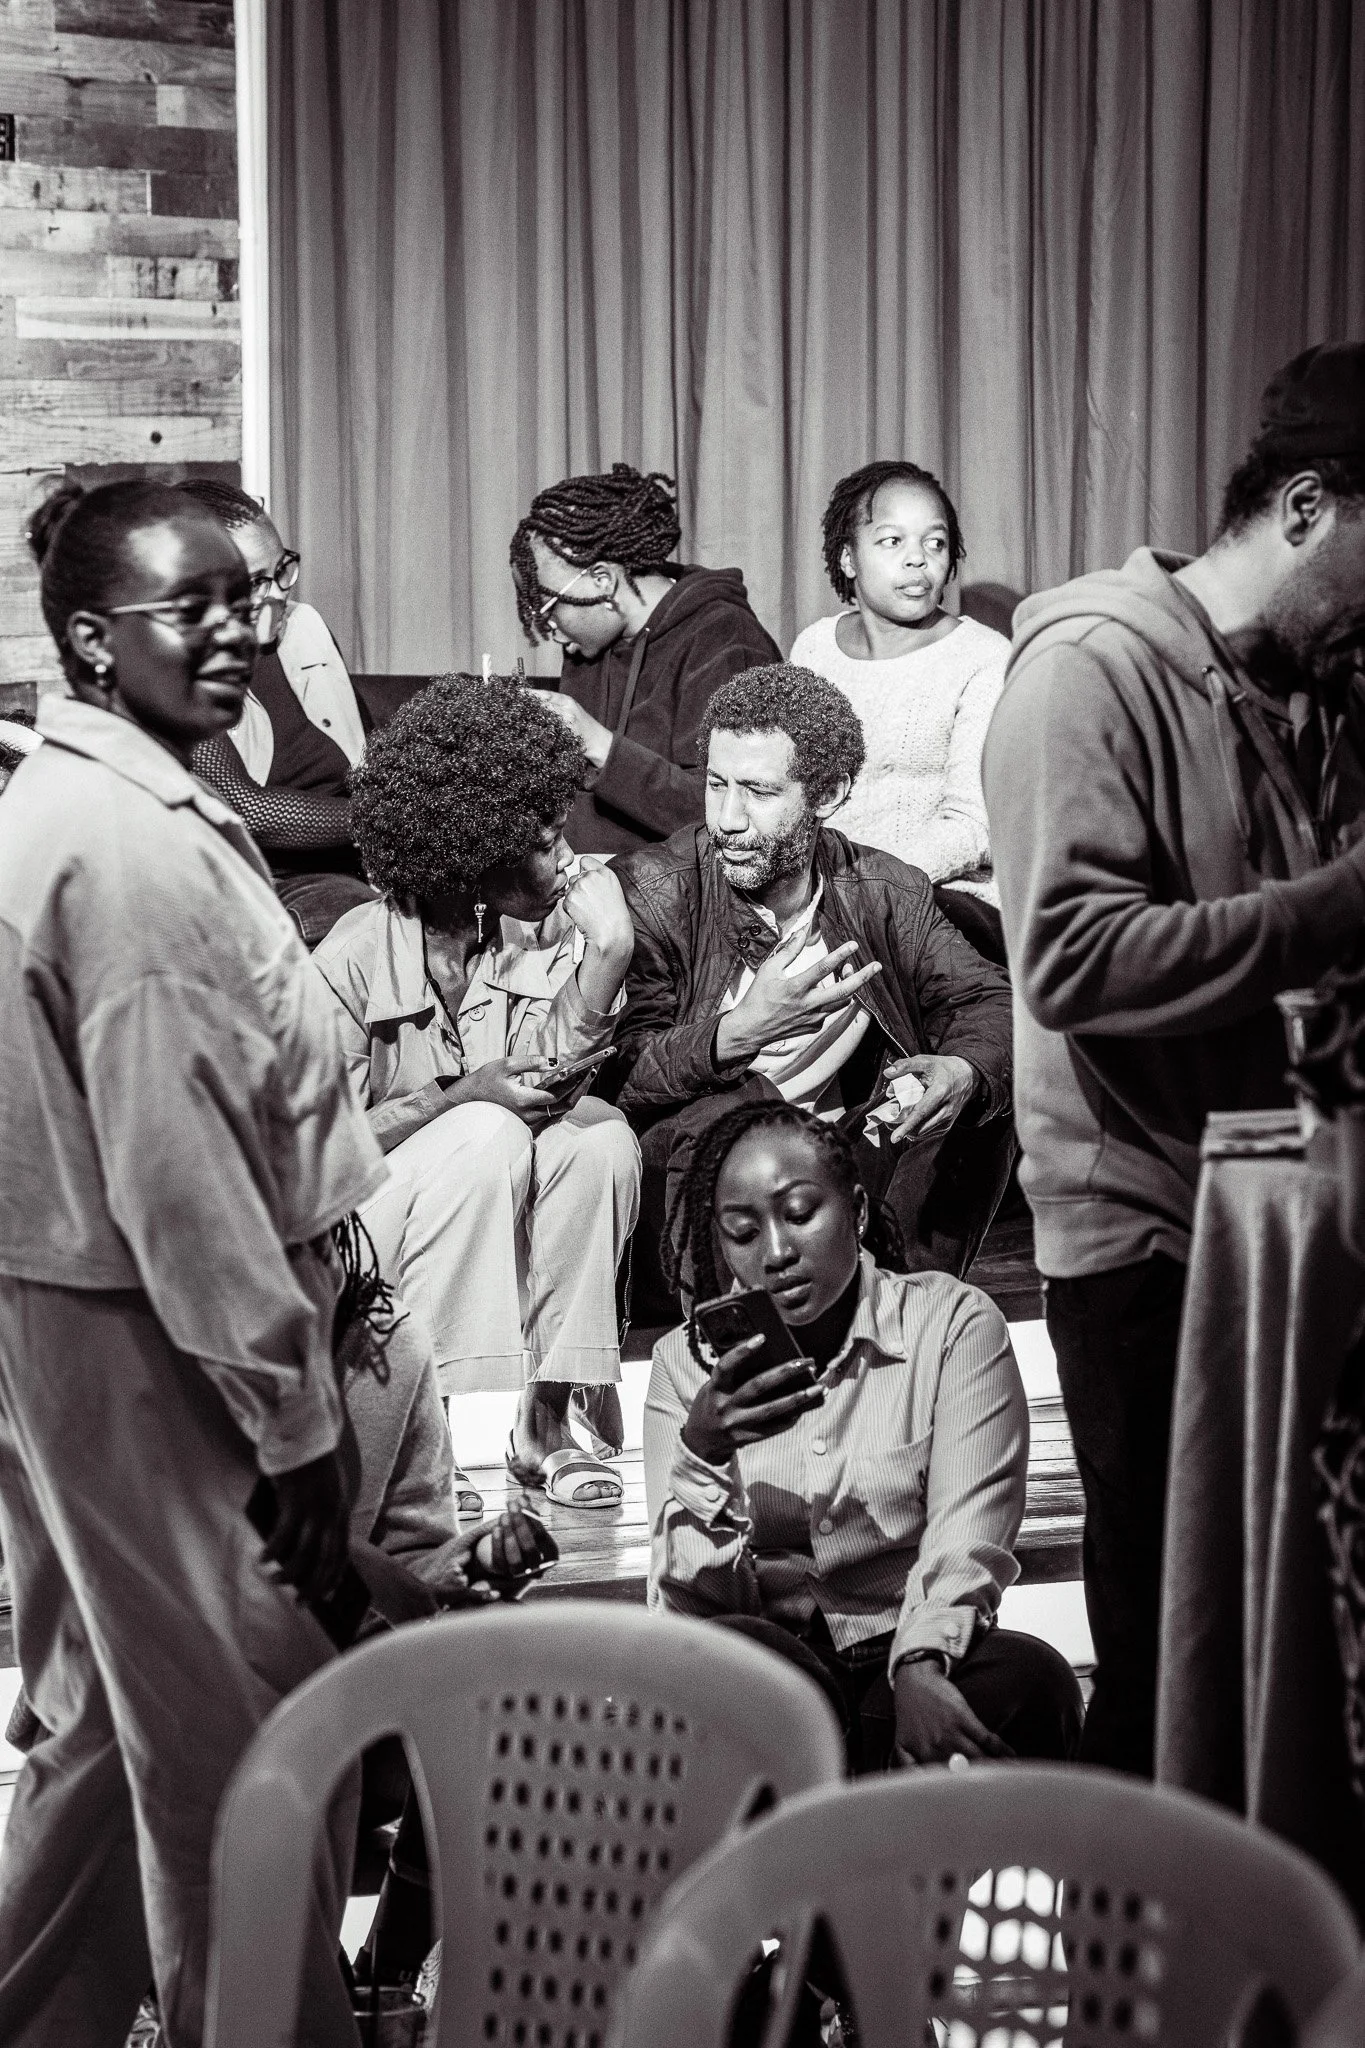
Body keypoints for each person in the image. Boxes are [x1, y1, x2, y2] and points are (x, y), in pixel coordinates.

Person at [0, 478, 384, 2046]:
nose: (236, 630)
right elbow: (185, 1179)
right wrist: (289, 1420)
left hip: (77, 1319)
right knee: (246, 1754)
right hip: (153, 1336)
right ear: (95, 641)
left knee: (113, 1721)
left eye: (246, 597)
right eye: (192, 607)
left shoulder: (91, 802)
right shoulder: (127, 848)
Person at [983, 341, 1365, 1778]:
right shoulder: (1087, 671)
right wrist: (1337, 905)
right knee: (1170, 1661)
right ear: (1308, 506)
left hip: (1272, 1214)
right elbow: (1073, 960)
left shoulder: (1297, 688)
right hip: (1145, 1241)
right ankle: (1127, 1916)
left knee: (1277, 1653)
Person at [644, 1099, 1083, 1774]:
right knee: (723, 1683)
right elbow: (691, 1610)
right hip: (775, 1665)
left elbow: (968, 1527)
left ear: (854, 1210)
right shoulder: (684, 1364)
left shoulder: (950, 1324)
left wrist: (921, 1662)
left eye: (799, 1214)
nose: (776, 1253)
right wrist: (703, 1456)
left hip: (908, 1635)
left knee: (1030, 1682)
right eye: (743, 1232)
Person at [313, 674, 642, 1509]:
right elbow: (315, 1155)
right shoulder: (353, 957)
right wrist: (452, 1099)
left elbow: (548, 1079)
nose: (566, 858)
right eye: (543, 841)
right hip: (355, 1236)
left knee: (598, 1138)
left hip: (489, 1188)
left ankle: (545, 1423)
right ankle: (423, 1444)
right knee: (483, 1131)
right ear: (470, 851)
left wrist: (608, 955)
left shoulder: (546, 928)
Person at [612, 663, 1016, 1301]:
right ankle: (738, 1337)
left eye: (758, 791)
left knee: (975, 1093)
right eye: (716, 784)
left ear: (827, 795)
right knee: (734, 1113)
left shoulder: (881, 889)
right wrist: (737, 1033)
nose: (728, 818)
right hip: (695, 1179)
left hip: (835, 1151)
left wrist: (961, 1071)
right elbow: (616, 1074)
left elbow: (987, 1001)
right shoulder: (653, 890)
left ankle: (905, 1314)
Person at [791, 461, 1010, 965]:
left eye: (935, 543)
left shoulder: (985, 658)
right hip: (823, 895)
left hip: (949, 903)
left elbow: (974, 826)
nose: (918, 559)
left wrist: (859, 887)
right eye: (893, 541)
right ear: (848, 558)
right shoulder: (814, 649)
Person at [510, 461, 780, 854]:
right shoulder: (589, 647)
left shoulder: (727, 641)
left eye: (549, 608)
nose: (547, 629)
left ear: (602, 582)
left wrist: (600, 745)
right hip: (580, 876)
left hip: (678, 886)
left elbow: (728, 813)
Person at [178, 477, 377, 947]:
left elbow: (365, 748)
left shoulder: (304, 628)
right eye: (253, 582)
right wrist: (393, 817)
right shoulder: (182, 670)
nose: (278, 593)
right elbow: (246, 810)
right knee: (355, 917)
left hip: (362, 856)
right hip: (266, 877)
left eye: (282, 568)